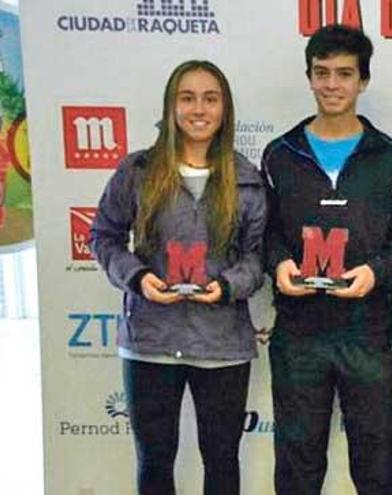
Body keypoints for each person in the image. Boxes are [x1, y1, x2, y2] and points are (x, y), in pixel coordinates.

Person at [90, 60, 267, 495]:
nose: (198, 109)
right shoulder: (137, 171)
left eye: (210, 98)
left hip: (222, 344)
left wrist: (227, 286)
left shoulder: (247, 179)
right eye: (187, 98)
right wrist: (137, 278)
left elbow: (257, 257)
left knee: (222, 461)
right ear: (170, 106)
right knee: (154, 460)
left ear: (225, 108)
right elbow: (104, 237)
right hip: (151, 341)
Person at [261, 24, 392, 495]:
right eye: (322, 73)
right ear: (309, 77)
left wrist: (375, 272)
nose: (332, 84)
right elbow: (263, 234)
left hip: (365, 331)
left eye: (344, 74)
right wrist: (280, 265)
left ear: (362, 81)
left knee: (375, 466)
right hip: (298, 332)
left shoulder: (389, 158)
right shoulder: (279, 155)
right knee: (297, 465)